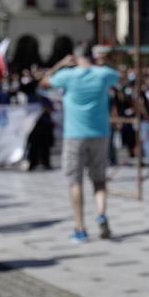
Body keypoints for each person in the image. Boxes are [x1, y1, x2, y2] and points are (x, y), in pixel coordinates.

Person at [41, 45, 120, 243]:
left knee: (75, 182)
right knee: (99, 180)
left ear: (75, 57)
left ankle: (80, 227)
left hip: (75, 134)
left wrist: (60, 64)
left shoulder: (67, 75)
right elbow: (120, 76)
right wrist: (103, 62)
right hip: (100, 133)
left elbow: (44, 82)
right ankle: (101, 214)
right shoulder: (103, 74)